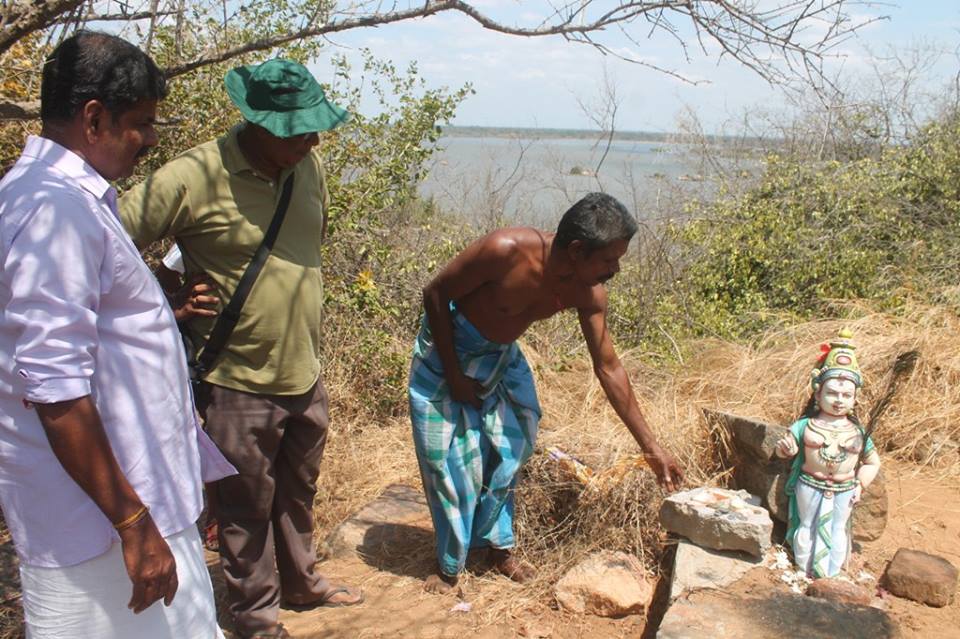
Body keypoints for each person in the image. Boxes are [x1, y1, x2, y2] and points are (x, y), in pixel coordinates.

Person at [0, 31, 235, 637]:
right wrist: (134, 524)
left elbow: (91, 337)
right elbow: (55, 389)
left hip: (132, 501)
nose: (152, 139)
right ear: (94, 119)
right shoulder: (54, 211)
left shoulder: (61, 199)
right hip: (102, 528)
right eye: (142, 123)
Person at [119, 58, 361, 639]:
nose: (313, 141)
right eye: (299, 131)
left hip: (303, 371)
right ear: (260, 124)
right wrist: (165, 300)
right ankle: (256, 617)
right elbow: (103, 241)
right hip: (236, 381)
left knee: (297, 493)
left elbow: (307, 247)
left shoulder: (307, 167)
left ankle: (302, 582)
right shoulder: (192, 177)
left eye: (315, 128)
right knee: (244, 506)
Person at [409, 193, 685, 593]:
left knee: (512, 447)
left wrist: (651, 447)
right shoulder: (505, 251)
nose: (616, 269)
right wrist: (453, 375)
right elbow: (435, 294)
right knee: (445, 461)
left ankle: (498, 548)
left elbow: (609, 367)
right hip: (447, 352)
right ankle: (449, 563)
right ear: (576, 250)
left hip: (500, 357)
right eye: (609, 260)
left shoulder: (589, 292)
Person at [775, 329, 881, 578]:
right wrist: (786, 449)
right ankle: (804, 570)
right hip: (809, 484)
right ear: (818, 393)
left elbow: (873, 462)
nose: (839, 400)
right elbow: (783, 449)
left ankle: (831, 575)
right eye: (832, 393)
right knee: (806, 525)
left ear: (855, 399)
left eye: (846, 395)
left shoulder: (858, 432)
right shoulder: (805, 425)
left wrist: (860, 485)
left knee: (837, 529)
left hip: (845, 489)